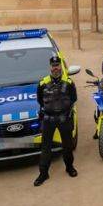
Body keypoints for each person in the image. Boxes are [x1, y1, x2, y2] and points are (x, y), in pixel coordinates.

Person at [34, 55, 78, 186]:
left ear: (61, 66)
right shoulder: (42, 83)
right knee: (46, 147)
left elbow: (73, 98)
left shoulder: (69, 83)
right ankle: (43, 173)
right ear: (50, 67)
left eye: (57, 65)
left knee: (67, 145)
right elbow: (40, 100)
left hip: (64, 118)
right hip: (48, 119)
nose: (55, 68)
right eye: (53, 66)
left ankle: (69, 167)